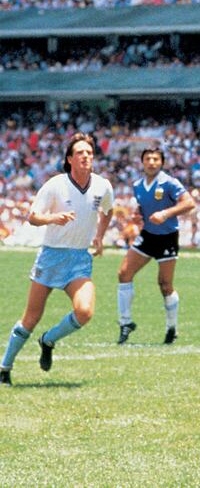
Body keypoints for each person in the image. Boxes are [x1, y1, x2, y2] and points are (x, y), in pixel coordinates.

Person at [0, 133, 114, 386]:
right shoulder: (55, 185)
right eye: (80, 152)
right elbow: (32, 216)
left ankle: (48, 340)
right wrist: (53, 218)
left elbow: (109, 210)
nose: (86, 156)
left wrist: (99, 236)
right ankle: (4, 367)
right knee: (31, 317)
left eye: (89, 152)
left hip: (79, 259)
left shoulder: (102, 185)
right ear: (70, 159)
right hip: (51, 255)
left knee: (84, 311)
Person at [116, 148, 195, 345]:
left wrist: (165, 214)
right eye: (148, 159)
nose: (152, 162)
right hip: (148, 236)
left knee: (165, 284)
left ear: (161, 162)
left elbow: (189, 203)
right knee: (124, 273)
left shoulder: (169, 182)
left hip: (167, 238)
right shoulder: (138, 186)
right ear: (142, 162)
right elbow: (143, 209)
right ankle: (125, 323)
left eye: (156, 159)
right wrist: (138, 215)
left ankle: (172, 327)